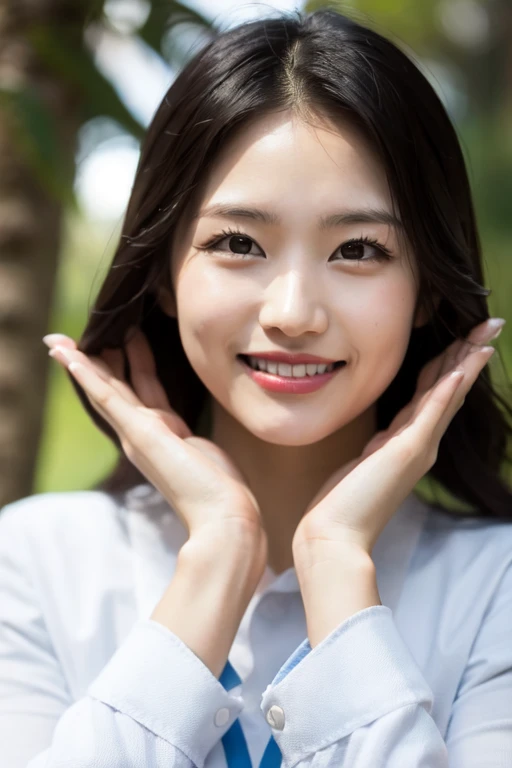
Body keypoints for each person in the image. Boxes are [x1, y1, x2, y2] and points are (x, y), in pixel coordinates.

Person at [1, 7, 511, 767]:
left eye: (358, 249)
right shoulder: (38, 565)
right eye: (239, 243)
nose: (294, 313)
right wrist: (217, 555)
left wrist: (336, 561)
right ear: (166, 275)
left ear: (428, 289)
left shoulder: (496, 588)